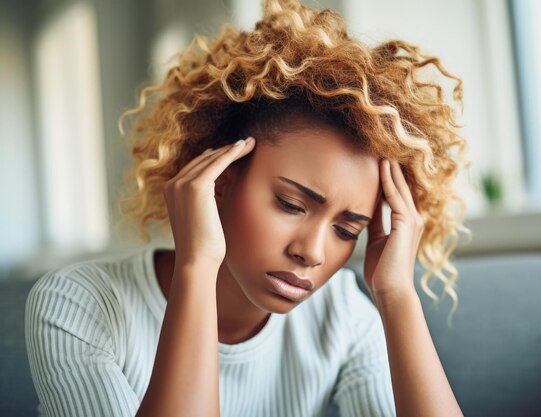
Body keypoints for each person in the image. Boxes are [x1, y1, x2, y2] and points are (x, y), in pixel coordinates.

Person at [25, 0, 471, 416]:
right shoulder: (78, 305)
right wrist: (197, 268)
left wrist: (397, 298)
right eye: (290, 203)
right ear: (220, 178)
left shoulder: (344, 317)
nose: (312, 252)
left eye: (347, 230)